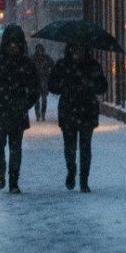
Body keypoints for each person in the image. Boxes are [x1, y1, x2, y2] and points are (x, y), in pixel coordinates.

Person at [0, 24, 40, 194]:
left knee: (15, 148)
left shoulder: (26, 64)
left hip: (17, 114)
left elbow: (35, 88)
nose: (13, 46)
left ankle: (13, 182)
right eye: (10, 43)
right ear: (5, 44)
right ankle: (0, 166)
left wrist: (25, 104)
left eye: (16, 43)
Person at [48, 43, 107, 193]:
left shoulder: (93, 65)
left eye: (80, 48)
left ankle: (84, 180)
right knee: (70, 146)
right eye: (74, 48)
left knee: (85, 147)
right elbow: (52, 85)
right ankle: (71, 170)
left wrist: (90, 85)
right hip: (68, 111)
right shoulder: (62, 65)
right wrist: (65, 85)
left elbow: (103, 86)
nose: (77, 51)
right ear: (69, 49)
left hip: (87, 111)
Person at [31, 44, 55, 122]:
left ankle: (40, 114)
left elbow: (52, 66)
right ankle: (39, 114)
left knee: (41, 99)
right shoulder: (41, 58)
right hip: (39, 81)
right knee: (39, 99)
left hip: (41, 81)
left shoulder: (35, 58)